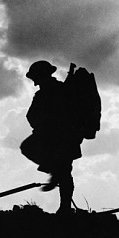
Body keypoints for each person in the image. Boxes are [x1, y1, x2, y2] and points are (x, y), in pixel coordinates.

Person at [21, 60, 82, 215]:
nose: (34, 81)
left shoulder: (56, 91)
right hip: (56, 137)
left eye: (35, 77)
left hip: (60, 138)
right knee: (64, 171)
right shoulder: (56, 90)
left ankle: (65, 207)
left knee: (64, 172)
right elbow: (32, 116)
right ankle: (64, 205)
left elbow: (67, 114)